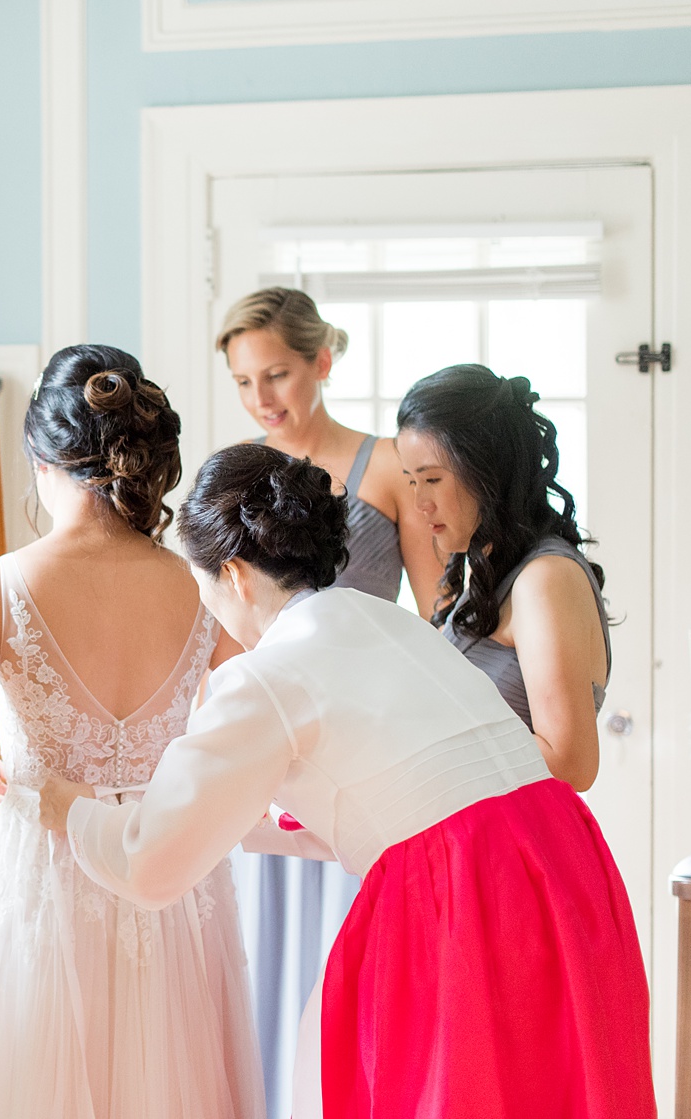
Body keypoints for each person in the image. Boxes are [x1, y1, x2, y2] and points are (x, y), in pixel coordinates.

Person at [39, 443, 654, 1119]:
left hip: (465, 891)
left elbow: (150, 862)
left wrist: (62, 804)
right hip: (560, 857)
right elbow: (398, 796)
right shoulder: (382, 619)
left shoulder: (262, 675)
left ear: (236, 575)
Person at [0, 345, 264, 1119]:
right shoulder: (198, 586)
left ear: (41, 457)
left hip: (43, 874)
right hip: (168, 867)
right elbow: (261, 715)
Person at [219, 286, 438, 1115]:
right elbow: (225, 622)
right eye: (243, 382)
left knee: (353, 962)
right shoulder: (242, 473)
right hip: (273, 738)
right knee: (267, 947)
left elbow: (439, 616)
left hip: (366, 748)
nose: (261, 398)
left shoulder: (384, 467)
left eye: (275, 373)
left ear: (323, 360)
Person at [395, 364, 610, 791]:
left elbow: (571, 763)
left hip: (516, 849)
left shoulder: (544, 580)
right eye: (411, 481)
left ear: (488, 472)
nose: (419, 503)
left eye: (433, 479)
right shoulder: (480, 567)